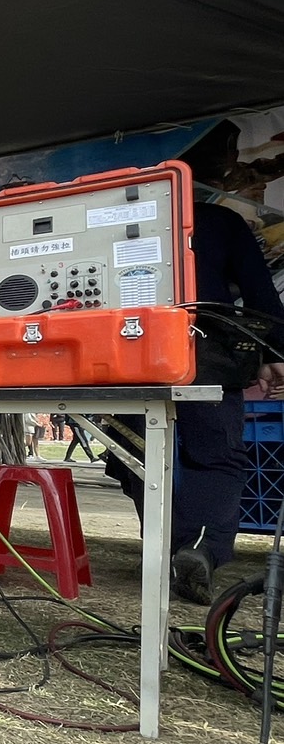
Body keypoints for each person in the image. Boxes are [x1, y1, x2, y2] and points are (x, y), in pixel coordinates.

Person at [106, 201, 284, 604]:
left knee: (139, 451)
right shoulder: (219, 219)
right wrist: (275, 351)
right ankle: (200, 547)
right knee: (217, 455)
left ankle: (164, 550)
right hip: (204, 347)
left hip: (125, 347)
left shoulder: (114, 213)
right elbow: (259, 292)